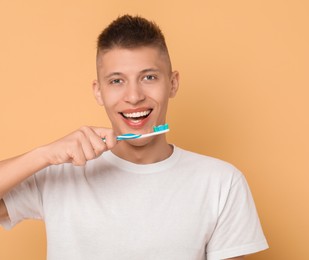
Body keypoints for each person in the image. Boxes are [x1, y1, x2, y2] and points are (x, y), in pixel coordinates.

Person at [0, 15, 268, 259]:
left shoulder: (221, 182)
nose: (134, 96)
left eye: (149, 77)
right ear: (98, 91)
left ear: (172, 83)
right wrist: (43, 155)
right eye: (117, 81)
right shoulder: (61, 174)